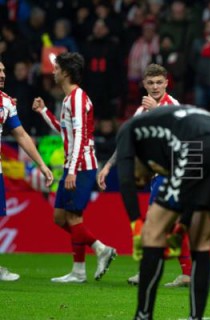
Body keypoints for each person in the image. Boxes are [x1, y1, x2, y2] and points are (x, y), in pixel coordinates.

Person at [116, 105, 210, 320]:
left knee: (152, 231)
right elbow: (190, 193)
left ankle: (142, 316)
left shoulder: (128, 131)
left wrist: (136, 224)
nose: (141, 181)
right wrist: (182, 226)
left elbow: (124, 179)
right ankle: (195, 318)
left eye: (139, 179)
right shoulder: (164, 142)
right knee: (201, 242)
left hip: (197, 144)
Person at [96, 63, 191, 287]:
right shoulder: (142, 109)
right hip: (158, 174)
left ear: (167, 83)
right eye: (151, 83)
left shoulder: (172, 106)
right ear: (144, 84)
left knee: (152, 223)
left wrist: (155, 109)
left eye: (159, 82)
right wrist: (109, 166)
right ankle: (187, 272)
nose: (155, 86)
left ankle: (148, 272)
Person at [32, 52, 116, 283]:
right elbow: (65, 131)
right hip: (74, 164)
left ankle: (83, 267)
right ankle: (97, 252)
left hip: (81, 166)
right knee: (60, 218)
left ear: (67, 72)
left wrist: (72, 170)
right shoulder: (70, 99)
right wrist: (43, 112)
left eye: (57, 68)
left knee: (73, 217)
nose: (54, 71)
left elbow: (79, 135)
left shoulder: (77, 98)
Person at [0, 59, 53, 282]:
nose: (3, 74)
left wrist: (41, 164)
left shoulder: (6, 103)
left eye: (3, 70)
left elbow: (21, 135)